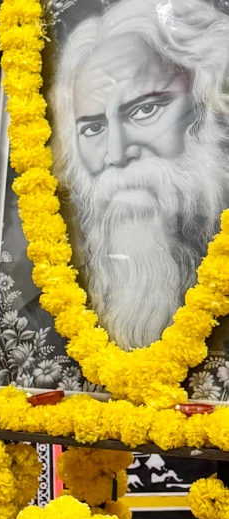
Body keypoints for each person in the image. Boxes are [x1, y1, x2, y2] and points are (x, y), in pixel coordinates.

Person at [50, 0, 229, 349]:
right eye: (93, 128)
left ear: (210, 108)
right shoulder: (44, 306)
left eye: (145, 110)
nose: (116, 153)